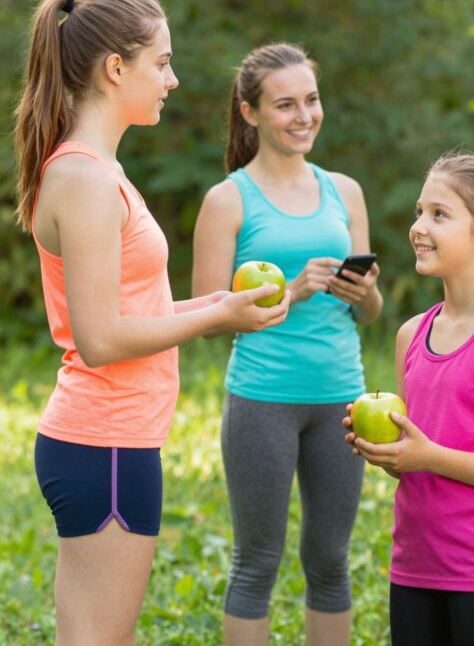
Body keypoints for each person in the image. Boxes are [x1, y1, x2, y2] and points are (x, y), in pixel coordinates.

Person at [13, 0, 289, 645]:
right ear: (116, 68)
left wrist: (221, 306)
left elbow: (135, 310)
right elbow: (102, 337)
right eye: (161, 63)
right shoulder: (84, 178)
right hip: (105, 440)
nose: (173, 79)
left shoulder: (98, 170)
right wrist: (214, 316)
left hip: (111, 439)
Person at [191, 42, 382, 645]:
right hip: (263, 399)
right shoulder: (228, 200)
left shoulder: (344, 191)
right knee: (257, 562)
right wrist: (294, 292)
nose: (304, 116)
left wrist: (363, 294)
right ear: (250, 114)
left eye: (312, 100)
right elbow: (205, 317)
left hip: (342, 399)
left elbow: (370, 312)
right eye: (285, 104)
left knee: (330, 560)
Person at [344, 152, 474, 645]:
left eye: (440, 215)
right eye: (420, 211)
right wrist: (388, 454)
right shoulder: (411, 334)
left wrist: (429, 455)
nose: (419, 226)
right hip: (414, 569)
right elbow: (418, 460)